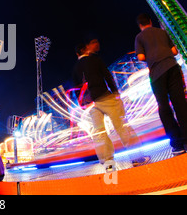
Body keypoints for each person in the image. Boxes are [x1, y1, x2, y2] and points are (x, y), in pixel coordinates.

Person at [73, 40, 149, 169]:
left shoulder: (75, 68)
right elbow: (107, 76)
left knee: (100, 134)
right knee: (122, 127)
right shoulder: (95, 60)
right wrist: (115, 92)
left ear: (77, 54)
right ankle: (137, 158)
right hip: (105, 97)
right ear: (85, 49)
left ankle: (108, 163)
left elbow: (76, 89)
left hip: (91, 104)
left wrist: (83, 105)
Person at [135, 13, 187, 155]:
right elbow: (174, 51)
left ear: (140, 26)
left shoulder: (139, 38)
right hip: (172, 67)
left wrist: (151, 56)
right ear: (150, 22)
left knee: (164, 108)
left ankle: (177, 144)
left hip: (157, 74)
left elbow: (140, 57)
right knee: (181, 104)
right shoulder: (162, 32)